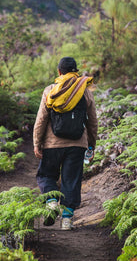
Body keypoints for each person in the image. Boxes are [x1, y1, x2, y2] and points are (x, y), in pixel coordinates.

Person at [33, 57, 98, 230]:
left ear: (59, 71)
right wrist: (91, 145)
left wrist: (36, 142)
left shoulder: (51, 90)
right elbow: (92, 122)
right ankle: (67, 221)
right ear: (75, 71)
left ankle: (52, 201)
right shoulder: (85, 91)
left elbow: (41, 119)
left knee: (45, 175)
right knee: (72, 180)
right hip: (77, 145)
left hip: (51, 144)